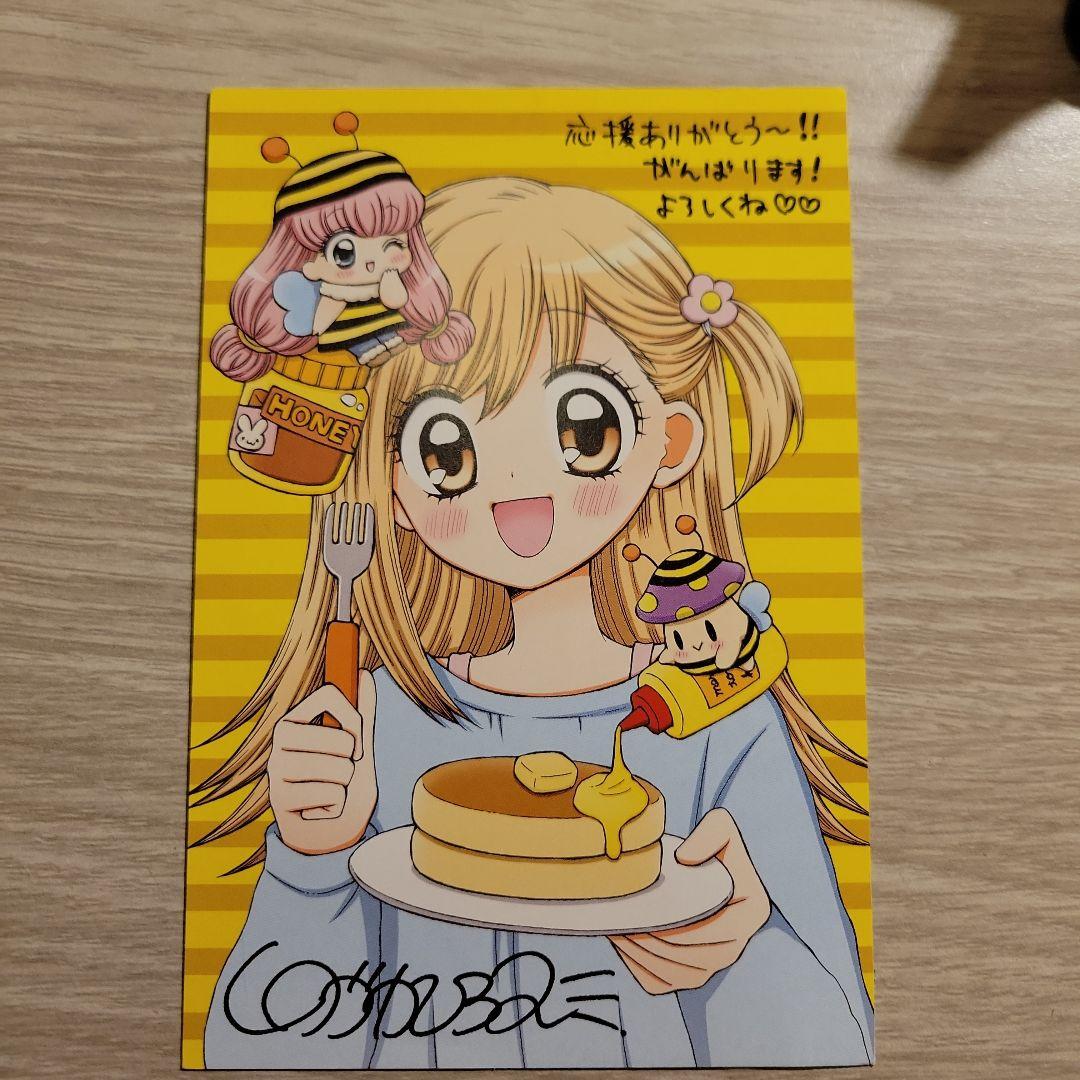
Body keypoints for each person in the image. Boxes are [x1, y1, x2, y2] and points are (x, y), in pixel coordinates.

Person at [194, 178, 873, 1069]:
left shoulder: (717, 715)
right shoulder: (373, 723)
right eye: (446, 448)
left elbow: (839, 1035)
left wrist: (740, 943)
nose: (516, 490)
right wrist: (313, 860)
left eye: (583, 430)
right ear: (393, 487)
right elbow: (258, 1048)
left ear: (670, 444)